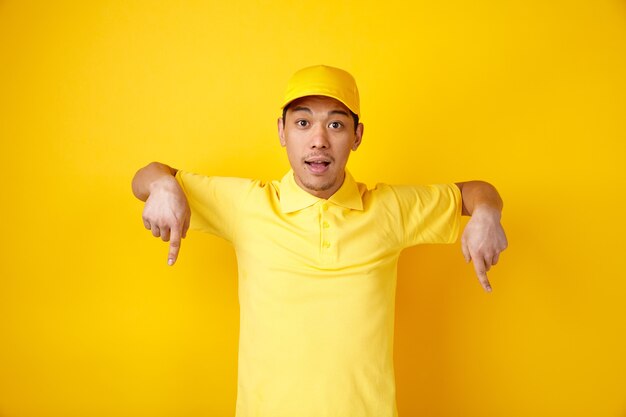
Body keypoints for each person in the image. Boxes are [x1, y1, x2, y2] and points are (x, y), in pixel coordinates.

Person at [131, 65, 508, 417]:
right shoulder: (246, 206)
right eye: (303, 122)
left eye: (336, 125)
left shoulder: (389, 208)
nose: (318, 140)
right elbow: (145, 178)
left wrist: (487, 214)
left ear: (357, 136)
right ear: (282, 132)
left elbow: (476, 191)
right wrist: (163, 186)